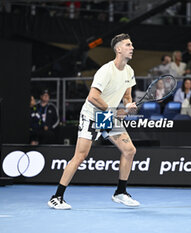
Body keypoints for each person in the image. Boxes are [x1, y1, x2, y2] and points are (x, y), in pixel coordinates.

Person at [48, 33, 140, 209]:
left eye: (132, 45)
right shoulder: (106, 70)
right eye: (128, 45)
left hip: (107, 116)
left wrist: (129, 106)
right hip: (92, 115)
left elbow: (127, 96)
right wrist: (112, 112)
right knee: (80, 156)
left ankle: (120, 192)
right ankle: (57, 197)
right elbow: (92, 97)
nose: (132, 48)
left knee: (129, 150)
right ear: (118, 49)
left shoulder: (129, 71)